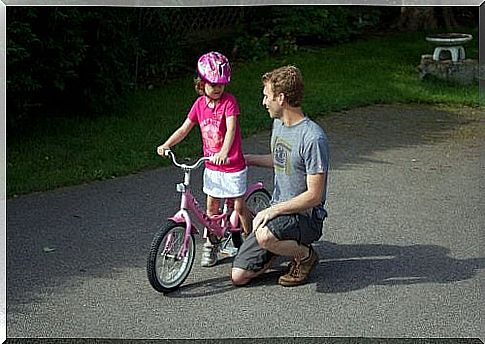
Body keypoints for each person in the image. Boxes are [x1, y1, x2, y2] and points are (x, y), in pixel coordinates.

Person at [231, 65, 329, 287]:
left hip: (306, 217)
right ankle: (277, 244)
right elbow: (281, 160)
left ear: (281, 98)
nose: (264, 102)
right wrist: (245, 158)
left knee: (265, 235)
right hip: (280, 214)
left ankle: (305, 256)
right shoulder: (279, 124)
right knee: (239, 276)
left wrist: (271, 210)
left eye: (267, 96)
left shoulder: (313, 138)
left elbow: (314, 195)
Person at [157, 51, 252, 267]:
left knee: (238, 207)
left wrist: (224, 152)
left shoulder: (229, 103)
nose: (218, 88)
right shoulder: (199, 105)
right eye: (212, 84)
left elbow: (230, 130)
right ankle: (212, 244)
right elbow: (184, 128)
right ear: (201, 83)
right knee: (211, 209)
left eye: (221, 84)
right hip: (212, 166)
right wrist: (167, 144)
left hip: (232, 164)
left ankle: (252, 241)